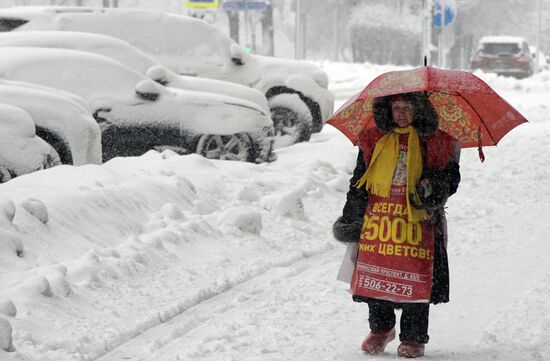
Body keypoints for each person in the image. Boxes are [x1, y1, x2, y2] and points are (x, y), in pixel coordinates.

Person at [333, 92, 461, 358]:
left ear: (419, 110)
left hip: (419, 222)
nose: (401, 114)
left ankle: (413, 337)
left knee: (418, 278)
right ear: (386, 111)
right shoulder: (372, 139)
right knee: (376, 277)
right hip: (378, 220)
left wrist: (434, 186)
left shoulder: (436, 141)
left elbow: (451, 179)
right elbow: (359, 181)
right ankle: (382, 329)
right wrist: (351, 217)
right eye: (396, 108)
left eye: (407, 108)